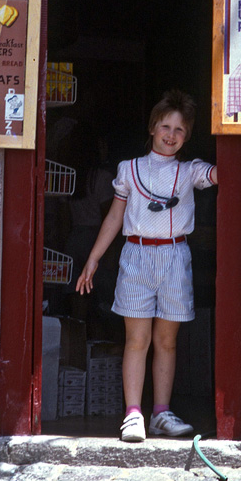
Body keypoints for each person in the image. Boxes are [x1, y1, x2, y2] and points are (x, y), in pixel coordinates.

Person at [76, 90, 217, 442]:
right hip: (136, 255)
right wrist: (93, 258)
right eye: (166, 126)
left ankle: (161, 413)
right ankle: (134, 414)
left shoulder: (189, 172)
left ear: (187, 136)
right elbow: (114, 216)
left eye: (180, 130)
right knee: (136, 339)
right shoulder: (129, 170)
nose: (171, 135)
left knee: (166, 340)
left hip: (174, 256)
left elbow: (221, 174)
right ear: (153, 127)